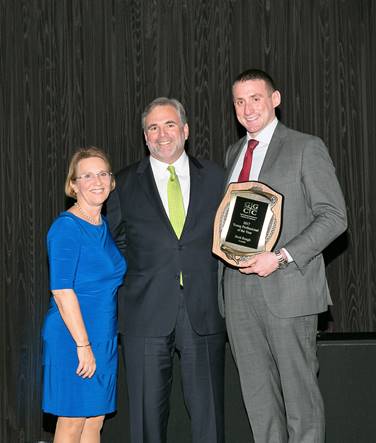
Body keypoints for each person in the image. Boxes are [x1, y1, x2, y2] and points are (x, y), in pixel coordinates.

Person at [219, 69, 347, 443]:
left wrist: (282, 256)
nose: (247, 108)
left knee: (299, 399)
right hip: (239, 293)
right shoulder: (234, 152)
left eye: (255, 98)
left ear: (275, 99)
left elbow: (334, 217)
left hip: (288, 288)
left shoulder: (306, 146)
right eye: (239, 102)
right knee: (258, 399)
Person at [107, 97, 226, 443]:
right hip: (144, 313)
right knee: (146, 423)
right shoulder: (123, 183)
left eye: (170, 124)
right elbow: (114, 241)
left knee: (209, 418)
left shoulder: (217, 176)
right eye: (153, 127)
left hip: (203, 311)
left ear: (185, 130)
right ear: (144, 137)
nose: (162, 134)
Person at [41, 147, 126, 443]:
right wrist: (83, 344)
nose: (97, 181)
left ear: (111, 180)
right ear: (73, 185)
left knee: (95, 420)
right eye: (87, 175)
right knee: (73, 420)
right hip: (74, 337)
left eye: (103, 173)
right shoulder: (66, 228)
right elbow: (62, 291)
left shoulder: (101, 225)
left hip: (103, 337)